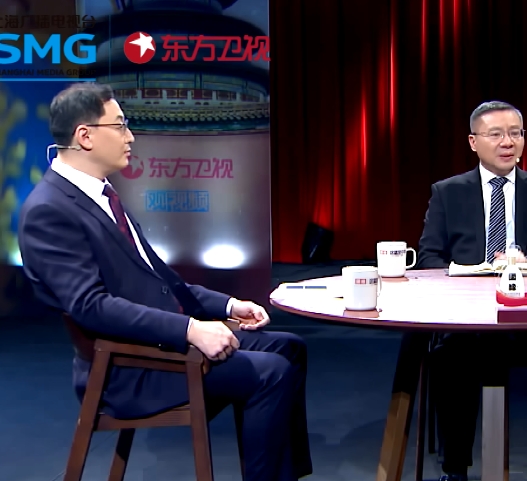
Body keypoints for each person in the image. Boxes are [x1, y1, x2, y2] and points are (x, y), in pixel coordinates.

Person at [18, 83, 312, 481]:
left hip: (160, 343)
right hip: (127, 368)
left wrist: (227, 306)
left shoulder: (103, 195)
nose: (130, 137)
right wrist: (192, 330)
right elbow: (91, 306)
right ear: (85, 136)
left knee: (289, 348)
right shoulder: (48, 211)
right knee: (270, 373)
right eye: (120, 125)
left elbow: (162, 280)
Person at [416, 100, 527, 481]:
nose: (508, 142)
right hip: (467, 322)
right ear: (474, 141)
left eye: (515, 133)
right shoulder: (447, 192)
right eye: (496, 134)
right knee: (449, 356)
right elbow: (428, 258)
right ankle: (454, 470)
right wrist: (469, 274)